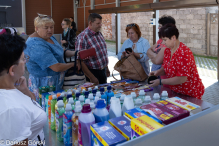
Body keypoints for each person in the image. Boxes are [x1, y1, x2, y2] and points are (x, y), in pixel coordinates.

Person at [24, 14, 98, 103]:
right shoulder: (35, 44)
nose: (50, 30)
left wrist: (76, 53)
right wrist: (73, 64)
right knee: (48, 110)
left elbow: (60, 51)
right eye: (46, 27)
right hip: (44, 85)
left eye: (52, 27)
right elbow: (56, 67)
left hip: (56, 81)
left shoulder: (49, 36)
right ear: (37, 28)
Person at [0, 34, 46, 146]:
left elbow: (32, 104)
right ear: (12, 70)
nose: (25, 61)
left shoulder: (13, 88)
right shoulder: (12, 109)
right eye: (23, 59)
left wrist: (24, 90)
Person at [149, 24, 205, 99]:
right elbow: (166, 68)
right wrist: (158, 72)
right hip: (176, 92)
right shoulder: (167, 50)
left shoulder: (183, 52)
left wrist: (160, 82)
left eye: (165, 40)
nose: (163, 43)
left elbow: (181, 78)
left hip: (190, 93)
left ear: (173, 38)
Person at [75, 13, 110, 84]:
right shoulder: (82, 37)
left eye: (100, 23)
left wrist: (106, 68)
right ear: (90, 23)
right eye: (98, 23)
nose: (100, 25)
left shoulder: (99, 34)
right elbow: (79, 61)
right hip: (92, 73)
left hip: (103, 71)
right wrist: (91, 77)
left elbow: (103, 53)